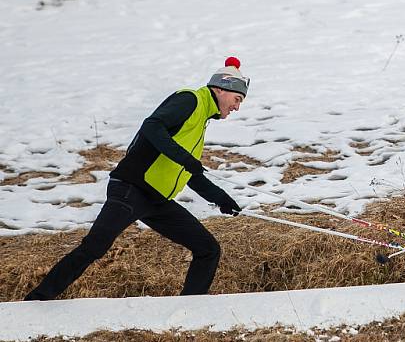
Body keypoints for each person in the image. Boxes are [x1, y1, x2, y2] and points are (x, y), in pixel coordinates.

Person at [25, 57, 249, 301]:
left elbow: (190, 172)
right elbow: (152, 126)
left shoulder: (201, 121)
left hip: (156, 200)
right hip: (131, 189)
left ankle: (189, 310)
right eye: (237, 99)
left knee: (208, 249)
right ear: (220, 89)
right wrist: (183, 157)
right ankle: (37, 300)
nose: (237, 107)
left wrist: (222, 199)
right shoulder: (190, 100)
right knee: (95, 246)